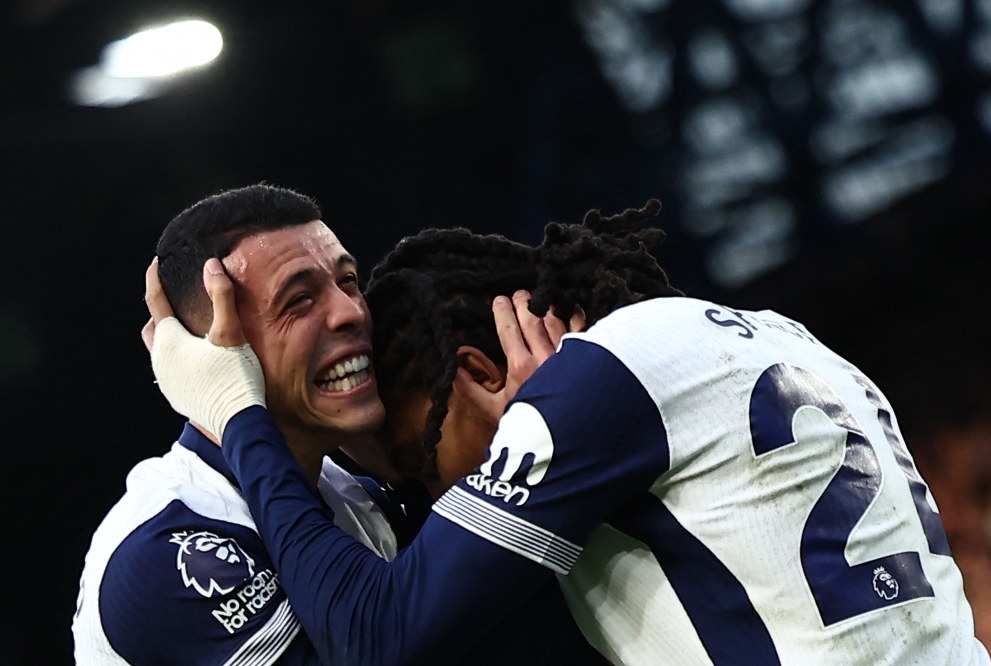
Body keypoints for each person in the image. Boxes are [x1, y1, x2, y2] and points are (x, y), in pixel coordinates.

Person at [145, 199, 991, 665]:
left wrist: (237, 413)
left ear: (479, 375)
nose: (436, 505)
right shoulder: (768, 331)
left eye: (413, 464)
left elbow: (376, 637)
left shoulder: (590, 390)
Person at [73, 185, 600, 665]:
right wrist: (237, 408)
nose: (350, 312)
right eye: (299, 299)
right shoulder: (169, 548)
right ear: (217, 348)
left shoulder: (363, 500)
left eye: (347, 281)